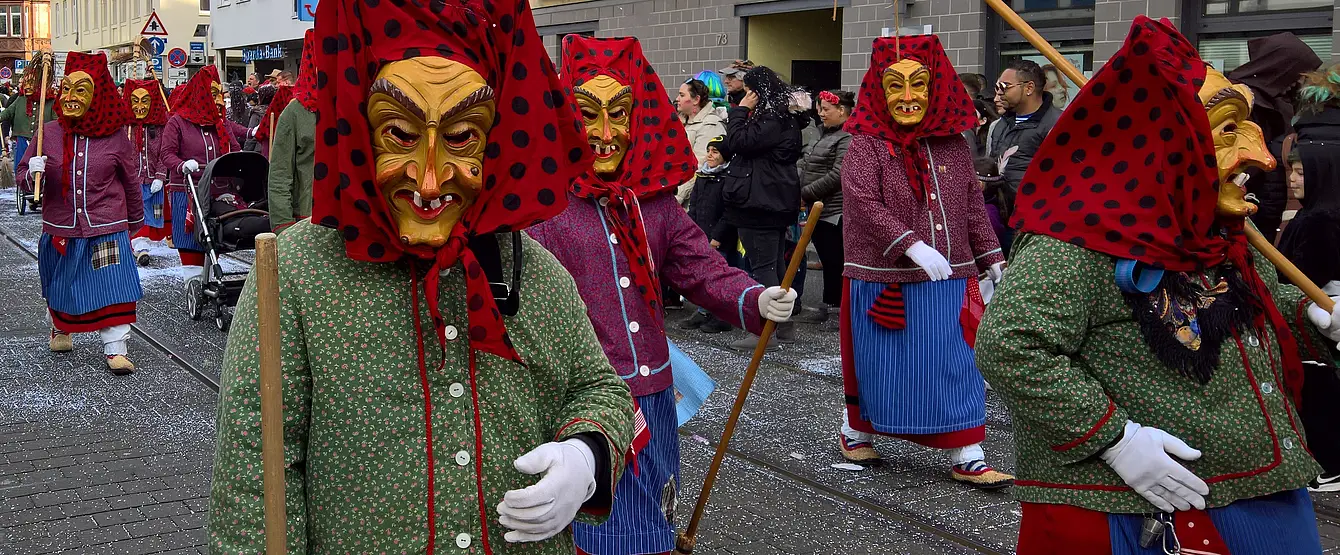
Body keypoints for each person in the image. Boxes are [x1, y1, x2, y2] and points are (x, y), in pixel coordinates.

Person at [207, 0, 636, 552]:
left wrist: (586, 455)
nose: (430, 181)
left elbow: (599, 389)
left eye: (461, 137)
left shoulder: (537, 273)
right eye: (399, 134)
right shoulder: (294, 275)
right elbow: (254, 484)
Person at [976, 17, 1339, 553]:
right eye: (1227, 132)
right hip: (1126, 505)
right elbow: (1011, 345)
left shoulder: (1220, 227)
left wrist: (1313, 317)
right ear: (1167, 142)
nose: (1263, 158)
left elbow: (1249, 306)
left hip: (1257, 479)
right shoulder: (1073, 241)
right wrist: (1114, 439)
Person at [529, 35, 795, 555]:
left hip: (652, 395)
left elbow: (701, 268)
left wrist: (754, 298)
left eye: (619, 114)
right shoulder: (541, 209)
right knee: (592, 529)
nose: (605, 135)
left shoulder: (652, 205)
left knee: (650, 517)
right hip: (575, 403)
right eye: (588, 114)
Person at [836, 35, 1011, 489]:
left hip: (951, 277)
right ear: (879, 90)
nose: (909, 97)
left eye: (919, 84)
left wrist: (994, 259)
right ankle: (855, 429)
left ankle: (967, 451)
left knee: (958, 362)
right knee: (880, 366)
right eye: (896, 86)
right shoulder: (866, 144)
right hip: (884, 279)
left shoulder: (953, 143)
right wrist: (910, 245)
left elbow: (973, 204)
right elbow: (861, 202)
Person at [18, 52, 141, 374]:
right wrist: (31, 172)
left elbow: (131, 181)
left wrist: (137, 221)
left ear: (98, 94)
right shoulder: (49, 132)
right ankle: (61, 327)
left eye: (81, 90)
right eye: (67, 89)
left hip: (107, 224)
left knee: (115, 286)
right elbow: (22, 176)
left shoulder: (116, 135)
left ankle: (116, 348)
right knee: (61, 284)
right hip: (61, 226)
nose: (70, 97)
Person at [1279, 65, 1340, 492]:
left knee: (1320, 391)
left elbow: (1298, 282)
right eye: (1290, 170)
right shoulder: (1311, 215)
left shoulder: (1318, 222)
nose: (1292, 178)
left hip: (1320, 331)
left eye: (1301, 171)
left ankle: (1329, 461)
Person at [719, 66, 804, 350]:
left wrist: (740, 111)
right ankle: (784, 327)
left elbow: (739, 142)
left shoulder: (770, 118)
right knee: (776, 264)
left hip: (759, 201)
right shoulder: (785, 117)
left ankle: (763, 331)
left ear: (756, 92)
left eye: (747, 90)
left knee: (763, 266)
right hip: (773, 199)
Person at [160, 66, 253, 306]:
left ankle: (210, 278)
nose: (218, 100)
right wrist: (182, 165)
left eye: (219, 94)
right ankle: (193, 281)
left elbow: (233, 147)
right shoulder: (177, 122)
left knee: (215, 235)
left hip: (218, 190)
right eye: (212, 94)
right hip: (188, 189)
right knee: (191, 239)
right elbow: (166, 154)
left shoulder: (219, 123)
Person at [1229, 32, 1322, 244]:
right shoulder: (1237, 100)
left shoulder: (1282, 102)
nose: (1298, 83)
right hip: (1245, 203)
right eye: (1297, 76)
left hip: (1274, 205)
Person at [988, 59, 1061, 255]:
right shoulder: (999, 125)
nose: (999, 93)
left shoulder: (1057, 125)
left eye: (1004, 87)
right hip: (1000, 216)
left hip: (1035, 225)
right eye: (997, 87)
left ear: (1029, 88)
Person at [792, 89, 852, 326]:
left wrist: (805, 193)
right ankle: (828, 306)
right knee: (828, 259)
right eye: (819, 109)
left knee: (836, 259)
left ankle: (838, 310)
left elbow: (839, 174)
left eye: (826, 110)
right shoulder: (821, 133)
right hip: (818, 206)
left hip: (835, 209)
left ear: (842, 111)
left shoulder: (848, 137)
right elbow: (805, 162)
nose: (821, 114)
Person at [681, 136, 740, 334]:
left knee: (718, 277)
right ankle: (703, 310)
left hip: (720, 238)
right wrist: (690, 230)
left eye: (715, 152)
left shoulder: (728, 178)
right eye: (709, 151)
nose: (709, 155)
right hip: (702, 233)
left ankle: (722, 315)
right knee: (702, 276)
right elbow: (695, 206)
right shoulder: (703, 176)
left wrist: (717, 237)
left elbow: (728, 213)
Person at [267, 28, 317, 232]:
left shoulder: (354, 106)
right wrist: (283, 227)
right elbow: (280, 175)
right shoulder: (295, 112)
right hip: (308, 224)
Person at [124, 79, 171, 266]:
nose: (140, 106)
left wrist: (160, 175)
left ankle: (141, 244)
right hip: (131, 180)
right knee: (135, 214)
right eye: (135, 101)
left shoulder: (161, 126)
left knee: (151, 215)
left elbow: (164, 152)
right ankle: (139, 246)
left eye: (145, 101)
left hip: (152, 179)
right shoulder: (124, 125)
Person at [674, 78, 726, 208]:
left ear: (696, 100)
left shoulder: (711, 125)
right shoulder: (680, 123)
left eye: (681, 95)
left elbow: (700, 167)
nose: (677, 99)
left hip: (695, 202)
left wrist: (676, 198)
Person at [0, 71, 56, 174]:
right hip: (22, 139)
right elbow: (7, 113)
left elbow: (57, 123)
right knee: (21, 167)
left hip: (43, 141)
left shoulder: (51, 101)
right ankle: (22, 187)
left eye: (30, 83)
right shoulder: (20, 99)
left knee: (41, 169)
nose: (27, 87)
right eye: (25, 83)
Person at [242, 84, 276, 154]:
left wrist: (245, 153)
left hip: (260, 151)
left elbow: (252, 137)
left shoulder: (257, 113)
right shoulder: (278, 111)